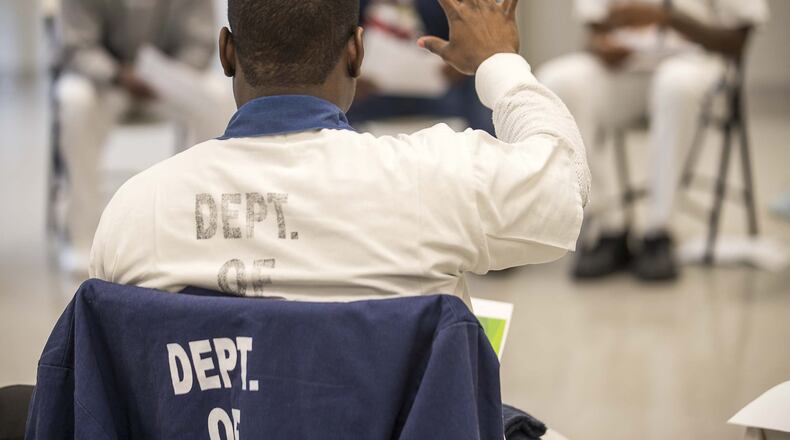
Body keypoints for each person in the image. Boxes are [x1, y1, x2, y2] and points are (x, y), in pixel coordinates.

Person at [89, 0, 590, 308]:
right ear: (356, 51)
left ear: (227, 52)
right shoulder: (436, 183)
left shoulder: (134, 216)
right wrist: (501, 63)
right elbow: (562, 192)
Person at [537, 0, 768, 282]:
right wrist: (602, 47)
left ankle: (660, 233)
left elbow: (737, 41)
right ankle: (608, 226)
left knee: (674, 84)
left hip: (696, 65)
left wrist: (666, 18)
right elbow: (593, 31)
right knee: (558, 80)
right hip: (625, 71)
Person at [57, 0, 233, 271]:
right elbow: (76, 47)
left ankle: (210, 224)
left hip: (166, 81)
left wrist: (166, 74)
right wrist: (117, 74)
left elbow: (199, 42)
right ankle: (81, 235)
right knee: (74, 99)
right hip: (106, 82)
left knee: (217, 95)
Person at [348, 0, 495, 134]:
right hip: (369, 92)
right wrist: (350, 78)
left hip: (441, 91)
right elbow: (340, 43)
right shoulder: (355, 6)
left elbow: (469, 44)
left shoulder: (436, 6)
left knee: (480, 86)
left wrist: (458, 66)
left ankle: (493, 152)